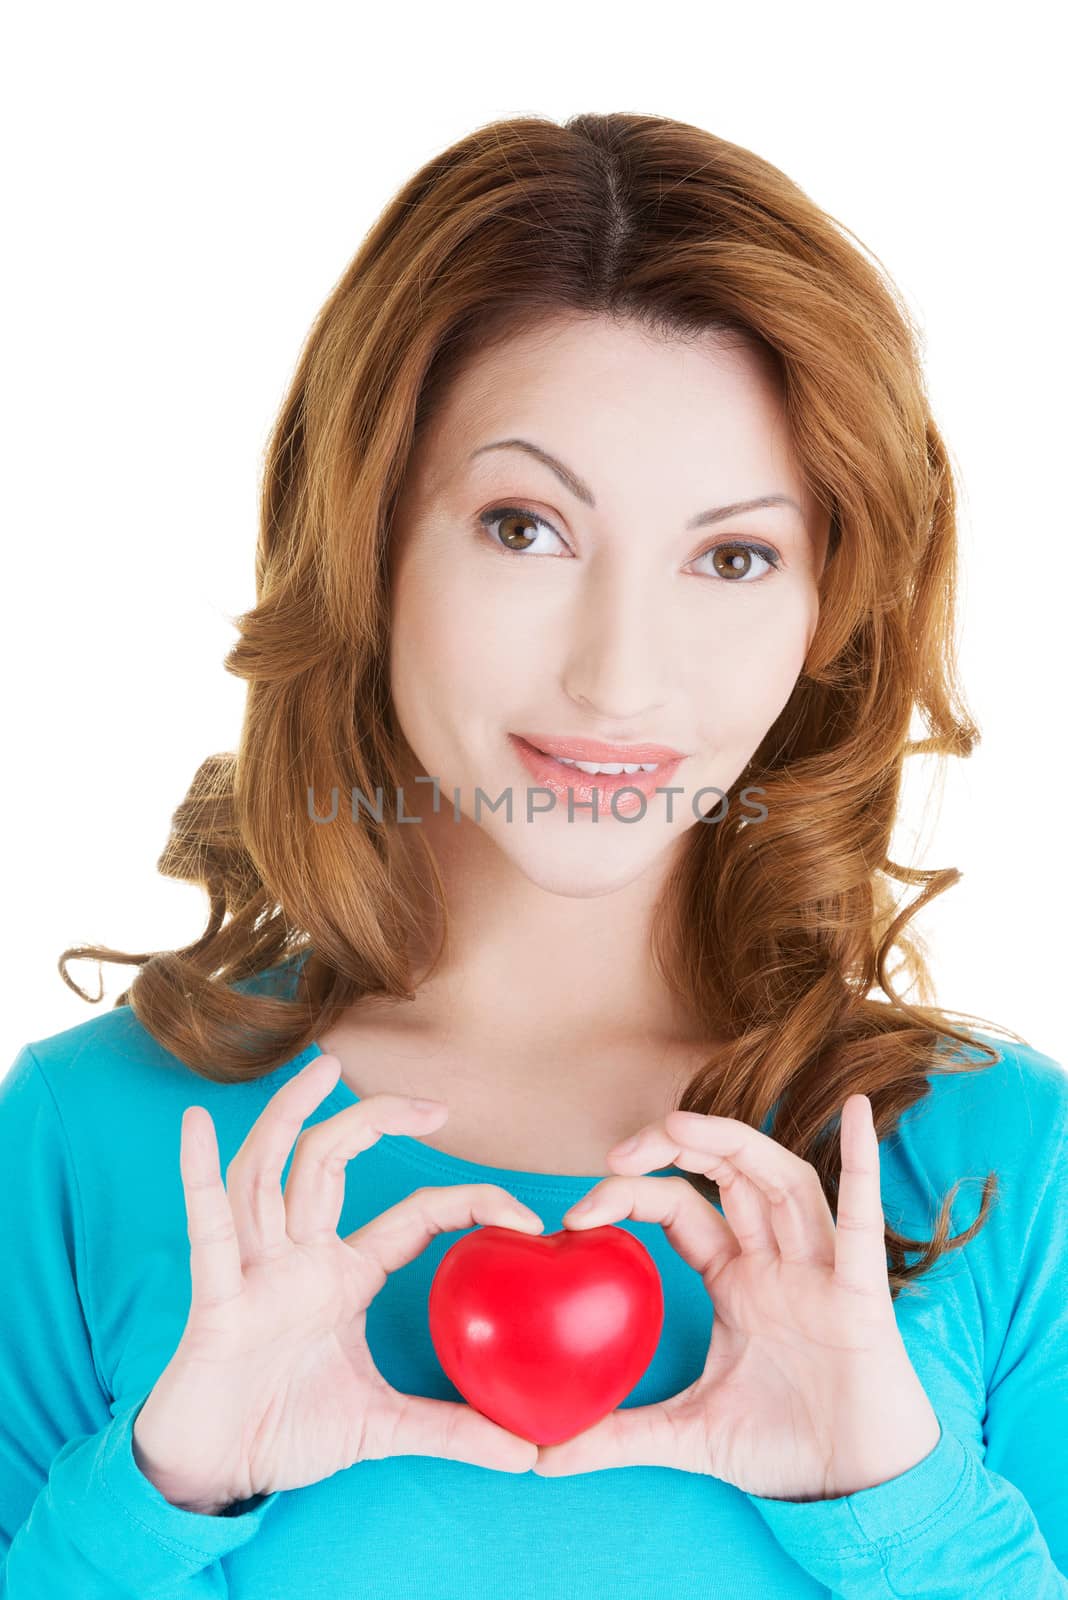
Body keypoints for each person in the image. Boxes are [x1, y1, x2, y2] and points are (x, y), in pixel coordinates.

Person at [2, 110, 1065, 1599]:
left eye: (735, 556)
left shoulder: (1001, 1159)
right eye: (524, 527)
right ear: (366, 543)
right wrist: (160, 1499)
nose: (620, 678)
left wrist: (897, 1505)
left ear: (830, 609)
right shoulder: (89, 1139)